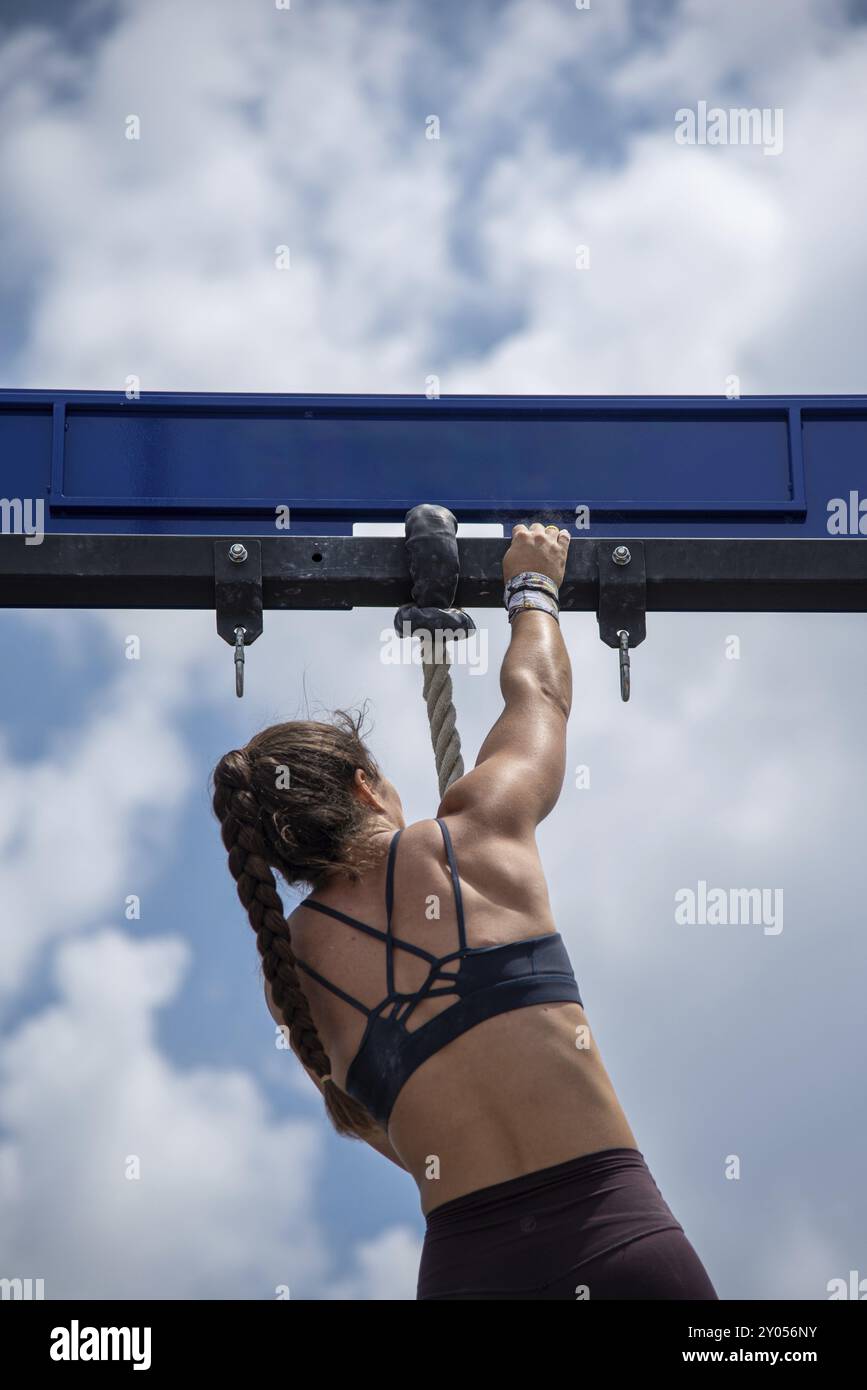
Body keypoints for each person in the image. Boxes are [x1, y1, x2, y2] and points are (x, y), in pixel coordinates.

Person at [212, 521, 718, 1300]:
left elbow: (370, 1127)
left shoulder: (293, 973)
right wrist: (531, 585)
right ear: (362, 786)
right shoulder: (473, 832)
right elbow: (539, 695)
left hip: (469, 1273)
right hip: (619, 1238)